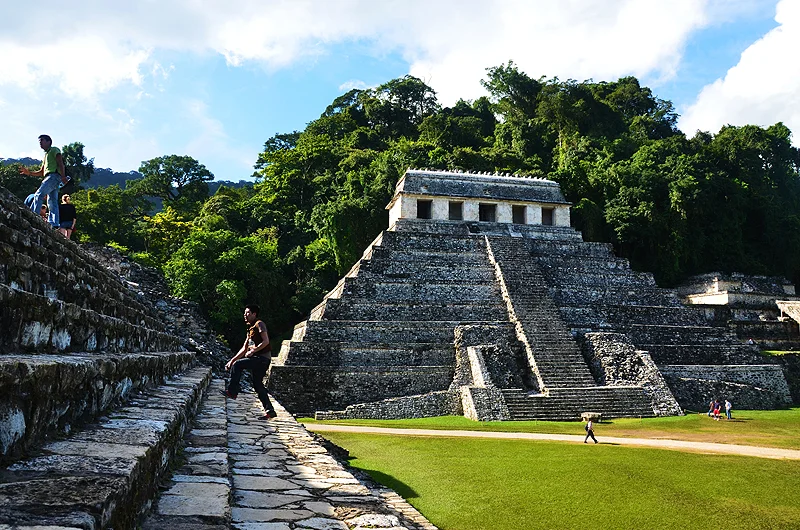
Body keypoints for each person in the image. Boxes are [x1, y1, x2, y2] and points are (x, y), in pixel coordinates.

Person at [222, 304, 277, 419]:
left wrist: (254, 351)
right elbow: (244, 348)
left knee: (239, 365)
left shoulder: (259, 324)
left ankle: (232, 391)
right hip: (258, 359)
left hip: (262, 359)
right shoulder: (250, 328)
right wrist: (231, 360)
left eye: (247, 313)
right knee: (257, 385)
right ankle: (270, 410)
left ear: (254, 314)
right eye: (244, 313)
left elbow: (266, 341)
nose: (245, 315)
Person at [19, 135, 69, 229]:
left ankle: (33, 215)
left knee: (39, 194)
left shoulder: (54, 150)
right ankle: (54, 223)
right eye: (39, 141)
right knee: (52, 201)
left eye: (42, 140)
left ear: (49, 141)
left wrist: (63, 176)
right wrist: (29, 173)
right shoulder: (46, 155)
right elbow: (41, 172)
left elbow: (60, 163)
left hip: (53, 176)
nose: (40, 143)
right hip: (51, 177)